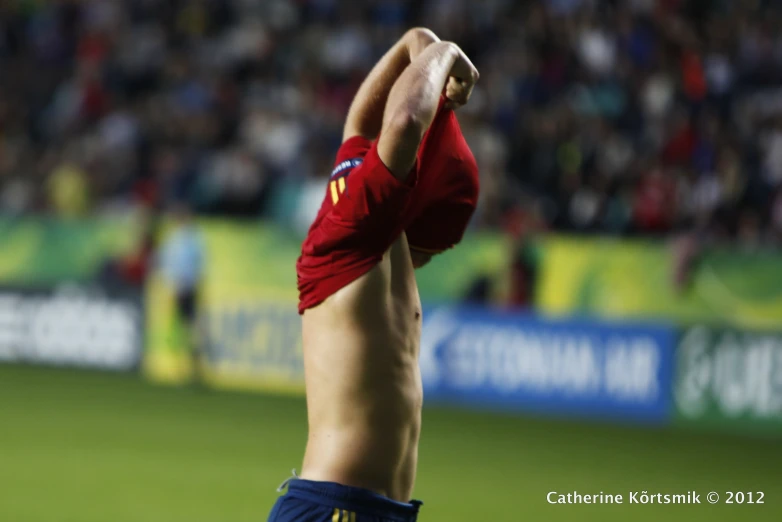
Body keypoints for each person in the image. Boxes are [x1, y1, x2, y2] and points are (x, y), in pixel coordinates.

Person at [268, 28, 480, 522]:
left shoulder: (358, 217)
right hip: (337, 509)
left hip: (371, 509)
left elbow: (360, 122)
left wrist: (417, 42)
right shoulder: (354, 228)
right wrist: (447, 54)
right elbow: (405, 118)